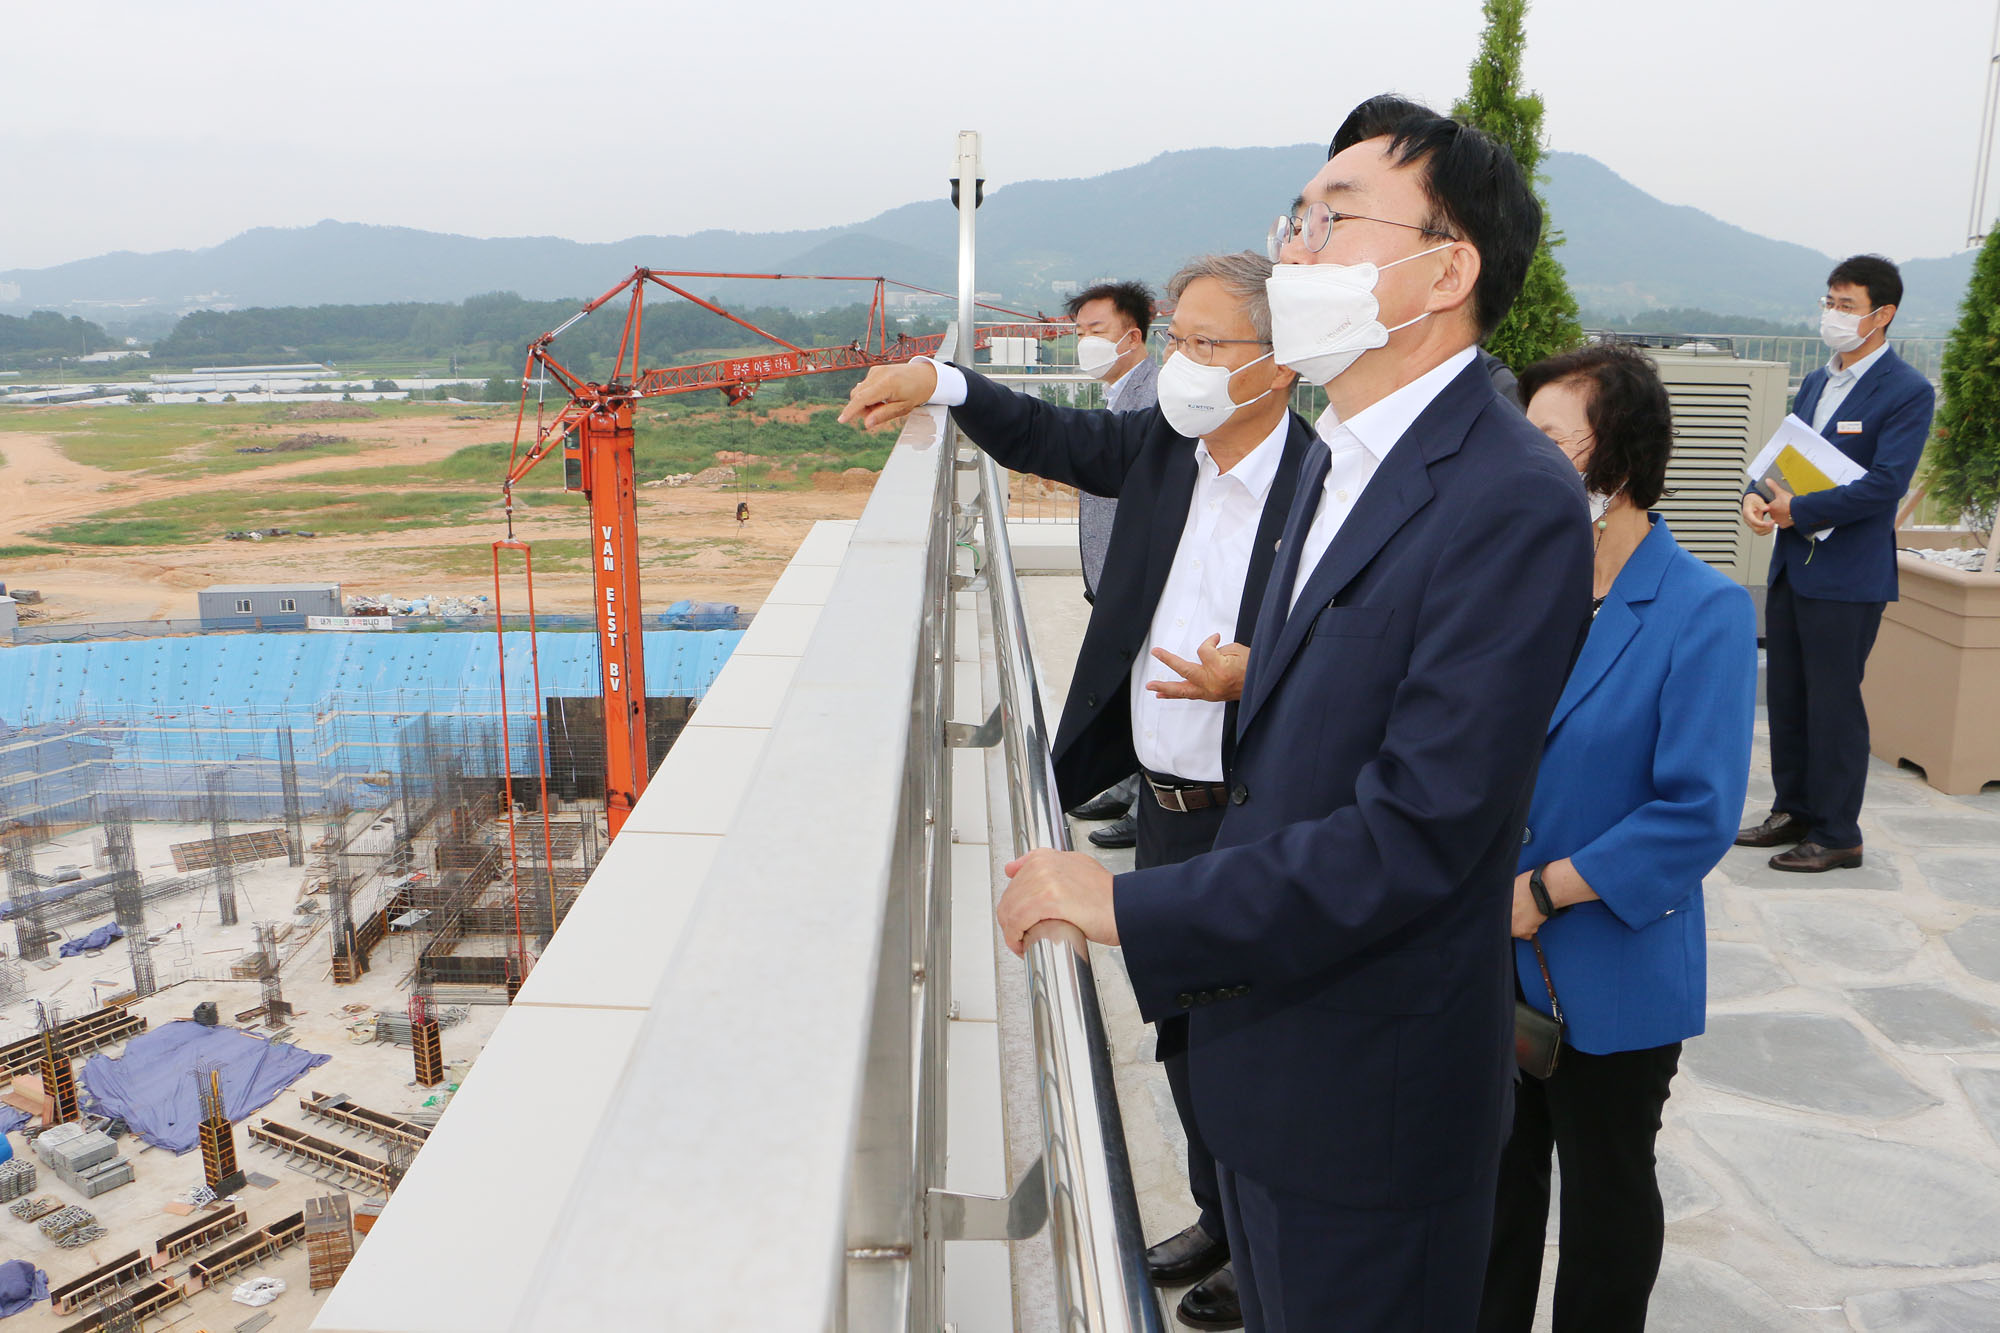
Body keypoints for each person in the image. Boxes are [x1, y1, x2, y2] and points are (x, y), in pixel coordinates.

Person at [994, 97, 1593, 1331]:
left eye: (1331, 217)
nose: (1294, 251)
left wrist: (1126, 901)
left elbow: (1417, 830)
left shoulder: (1505, 496)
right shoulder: (1339, 454)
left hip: (1369, 1105)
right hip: (1269, 1060)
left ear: (1446, 266)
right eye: (1294, 216)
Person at [841, 253, 1313, 1331]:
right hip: (1165, 802)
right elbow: (1059, 440)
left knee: (1255, 1046)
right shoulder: (1165, 448)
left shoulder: (1323, 490)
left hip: (1259, 813)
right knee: (1183, 1032)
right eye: (1177, 341)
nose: (1179, 368)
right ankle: (1216, 1213)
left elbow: (1364, 648)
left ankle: (1261, 1243)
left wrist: (1261, 669)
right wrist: (943, 381)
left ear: (1279, 365)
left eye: (1205, 346)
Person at [1478, 343, 1756, 1333]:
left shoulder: (1702, 611)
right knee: (1495, 1193)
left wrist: (1548, 889)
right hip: (1490, 956)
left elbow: (1695, 809)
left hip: (1609, 960)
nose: (1525, 459)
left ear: (1620, 461)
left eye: (1549, 441)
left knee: (1603, 1199)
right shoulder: (1520, 585)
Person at [1736, 255, 1936, 872]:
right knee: (1791, 695)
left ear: (1884, 315)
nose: (1834, 315)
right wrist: (1759, 495)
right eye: (1830, 302)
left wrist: (1803, 509)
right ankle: (1793, 809)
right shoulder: (1819, 382)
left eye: (1847, 306)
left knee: (1834, 702)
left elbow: (1885, 485)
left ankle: (1838, 832)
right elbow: (1789, 458)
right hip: (1795, 564)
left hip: (1848, 575)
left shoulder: (1907, 391)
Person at [1063, 280, 1160, 853]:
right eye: (1078, 333)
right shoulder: (1119, 392)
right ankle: (1126, 785)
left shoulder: (1152, 398)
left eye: (1095, 332)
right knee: (1125, 688)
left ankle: (1148, 804)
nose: (1084, 343)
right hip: (1109, 572)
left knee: (1147, 687)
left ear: (1132, 336)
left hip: (1133, 575)